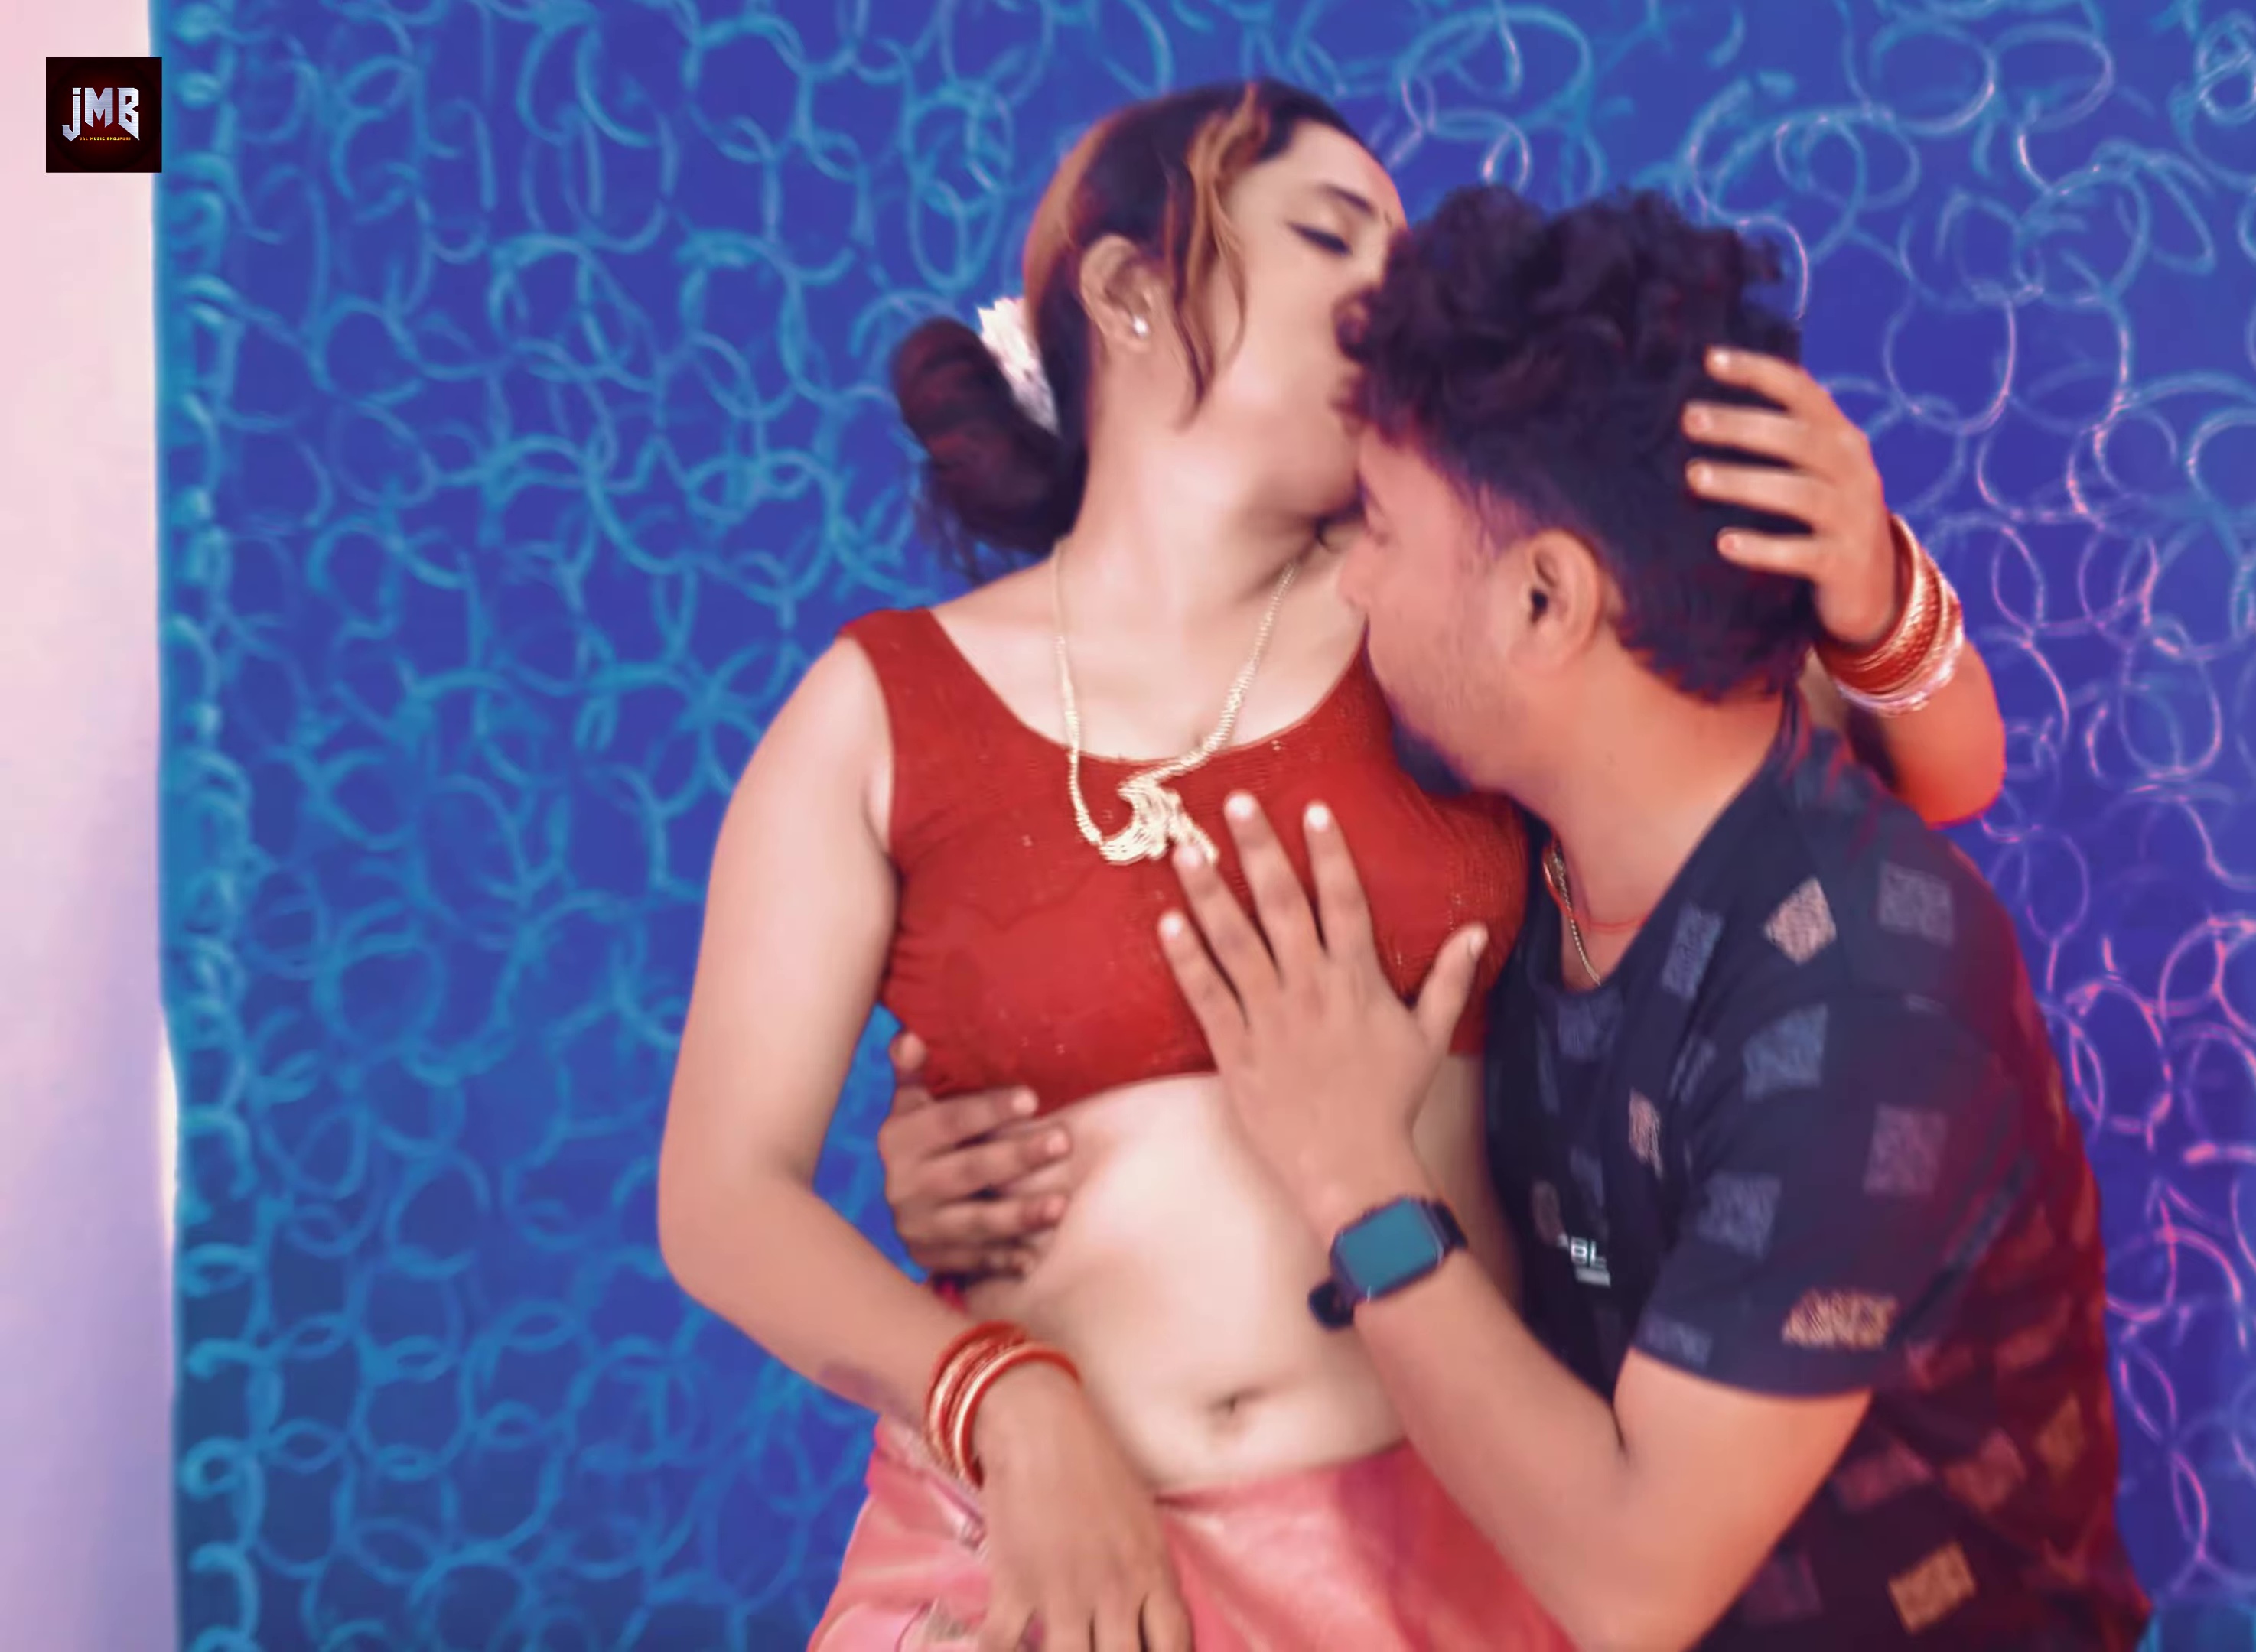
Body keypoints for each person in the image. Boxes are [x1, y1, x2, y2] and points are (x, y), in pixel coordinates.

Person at [655, 82, 2008, 1652]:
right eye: (1331, 232)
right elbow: (722, 1198)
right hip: (1035, 1557)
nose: (1393, 288)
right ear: (1132, 290)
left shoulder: (1448, 621)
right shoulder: (877, 712)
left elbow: (1922, 778)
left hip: (1432, 1562)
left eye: (1406, 246)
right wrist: (1003, 1402)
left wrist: (1874, 583)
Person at [1133, 187, 2150, 1647]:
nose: (1351, 581)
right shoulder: (1531, 831)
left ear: (1545, 603)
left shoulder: (1866, 995)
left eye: (1383, 531)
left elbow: (1632, 1583)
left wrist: (1353, 1177)